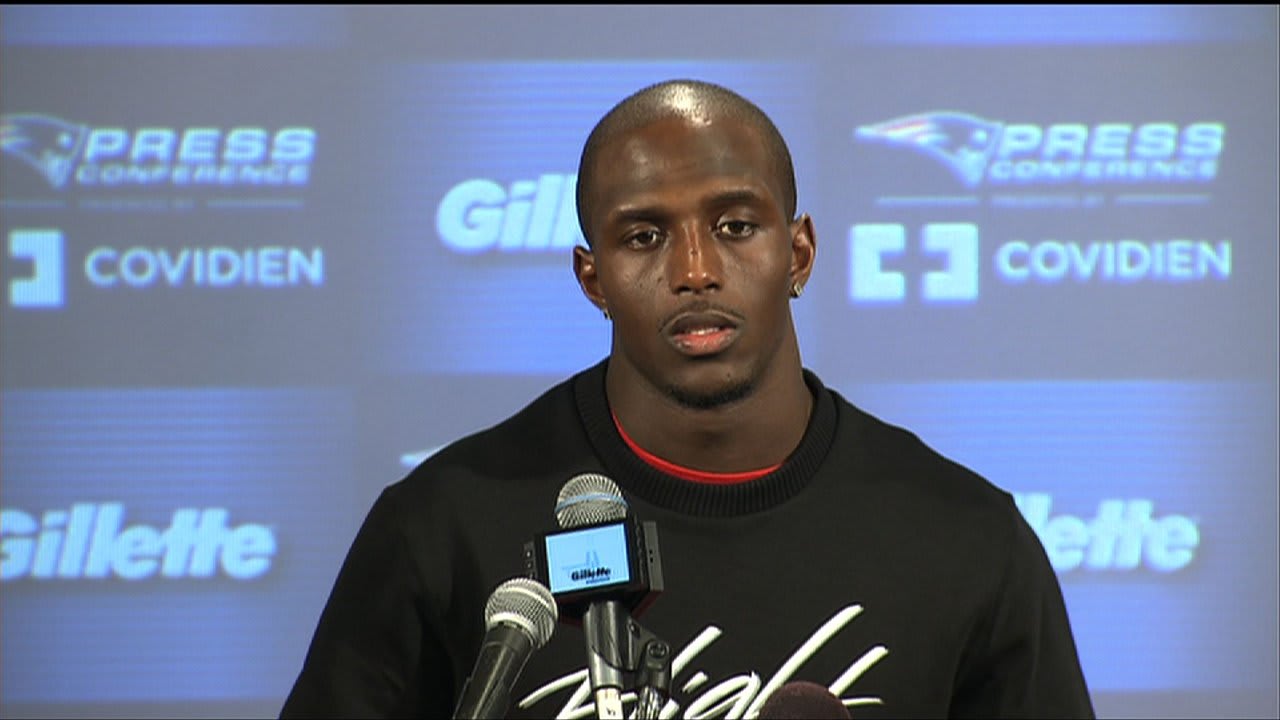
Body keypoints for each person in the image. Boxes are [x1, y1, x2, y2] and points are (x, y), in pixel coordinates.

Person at [281, 79, 1095, 719]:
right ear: (591, 278)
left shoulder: (965, 540)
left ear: (799, 252)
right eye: (644, 236)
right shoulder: (445, 527)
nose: (695, 270)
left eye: (736, 226)